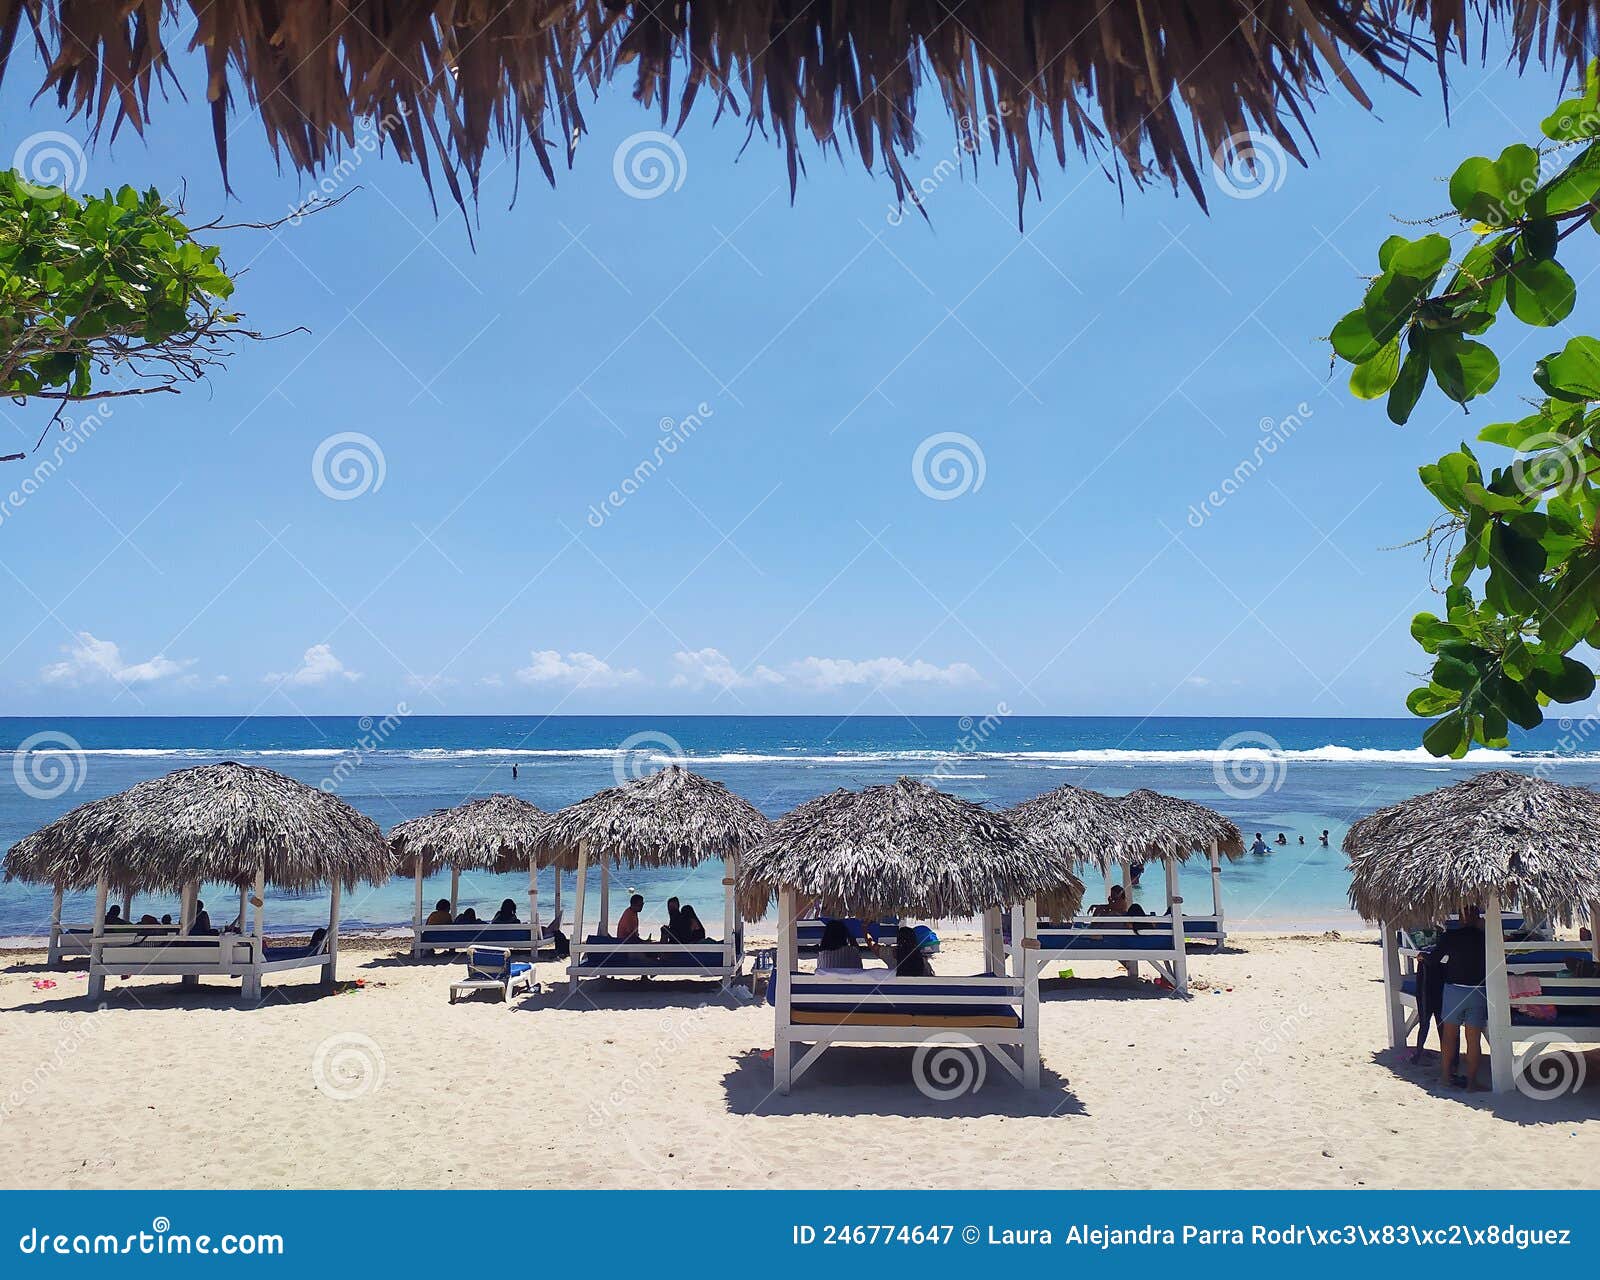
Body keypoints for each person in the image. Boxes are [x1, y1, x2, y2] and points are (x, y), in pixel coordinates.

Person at [1434, 905, 1489, 1090]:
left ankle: (1445, 1077)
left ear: (1460, 919)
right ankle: (1472, 1083)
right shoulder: (1486, 938)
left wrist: (1422, 957)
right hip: (1479, 990)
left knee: (1449, 1036)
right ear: (1477, 918)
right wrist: (1484, 927)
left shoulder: (1451, 937)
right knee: (1473, 1040)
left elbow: (1434, 958)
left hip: (1454, 989)